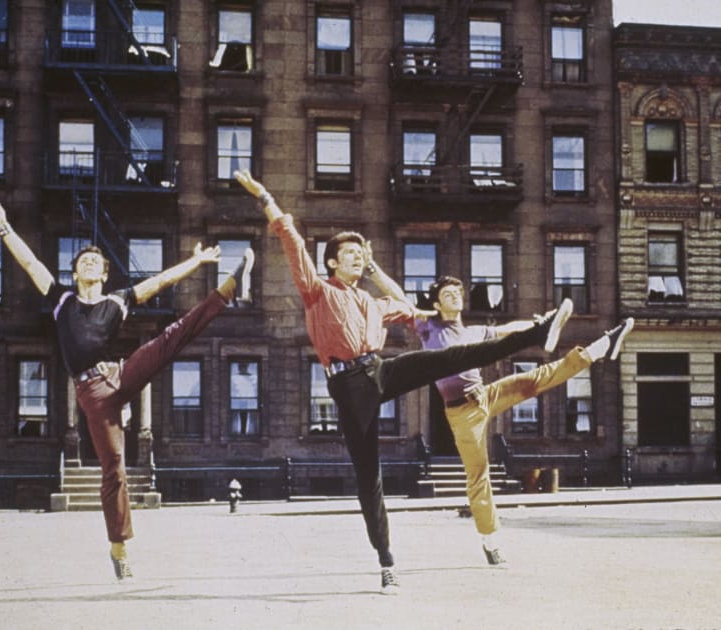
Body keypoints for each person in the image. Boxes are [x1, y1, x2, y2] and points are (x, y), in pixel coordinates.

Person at [233, 170, 572, 595]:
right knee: (368, 475)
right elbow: (292, 242)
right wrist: (265, 196)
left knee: (448, 355)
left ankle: (538, 335)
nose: (357, 257)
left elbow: (412, 309)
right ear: (333, 261)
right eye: (350, 253)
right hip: (349, 386)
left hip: (379, 371)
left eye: (361, 252)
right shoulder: (318, 291)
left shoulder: (375, 305)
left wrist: (447, 309)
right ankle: (386, 560)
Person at [0, 201, 254, 580]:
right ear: (75, 272)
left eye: (97, 261)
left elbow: (159, 282)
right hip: (93, 392)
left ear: (105, 274)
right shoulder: (62, 300)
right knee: (115, 471)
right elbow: (31, 265)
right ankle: (119, 547)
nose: (90, 264)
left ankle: (225, 291)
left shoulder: (117, 301)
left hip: (120, 374)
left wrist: (196, 262)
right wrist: (5, 229)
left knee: (170, 338)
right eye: (84, 261)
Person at [388, 275, 634, 566]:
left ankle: (600, 348)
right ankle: (490, 542)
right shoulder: (428, 327)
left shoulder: (475, 332)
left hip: (484, 395)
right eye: (448, 292)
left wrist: (535, 326)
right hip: (462, 414)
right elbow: (397, 295)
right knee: (478, 475)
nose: (455, 295)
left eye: (458, 291)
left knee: (534, 380)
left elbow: (507, 330)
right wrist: (371, 269)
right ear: (437, 301)